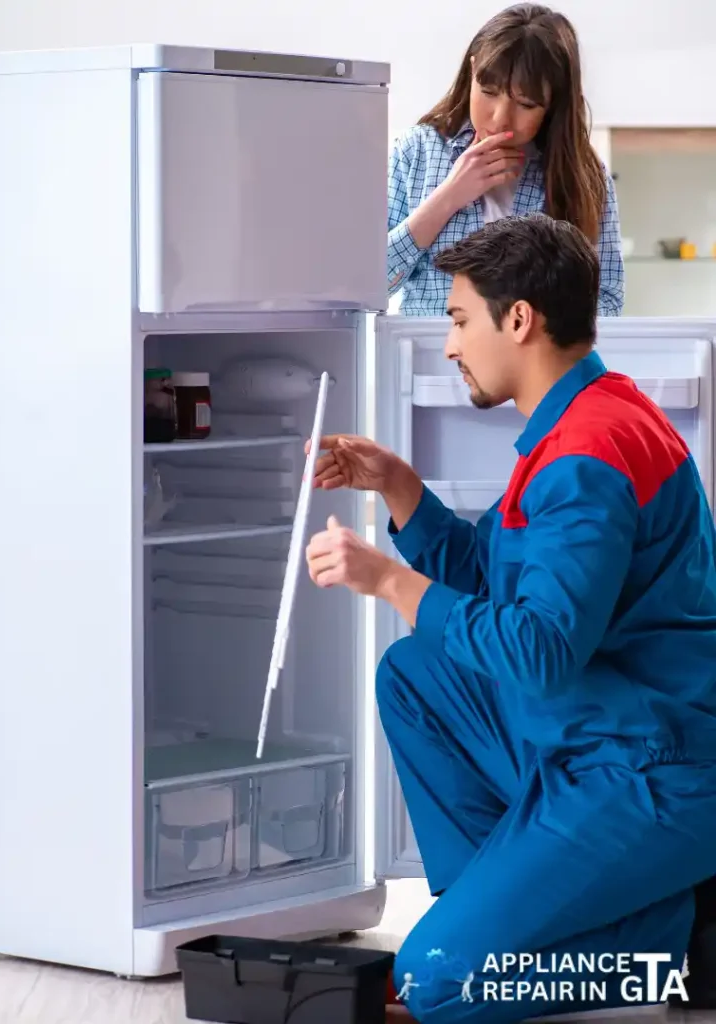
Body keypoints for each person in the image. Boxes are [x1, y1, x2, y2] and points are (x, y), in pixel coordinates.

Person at [305, 213, 716, 1022]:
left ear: (518, 319)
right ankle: (507, 911)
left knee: (434, 984)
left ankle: (673, 946)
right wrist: (397, 487)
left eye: (459, 319)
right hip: (595, 733)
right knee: (417, 674)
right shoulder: (586, 417)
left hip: (646, 769)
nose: (451, 344)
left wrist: (390, 583)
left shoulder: (585, 455)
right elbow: (495, 580)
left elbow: (539, 653)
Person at [388, 3, 624, 318]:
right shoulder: (415, 152)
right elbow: (366, 288)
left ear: (554, 103)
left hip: (537, 368)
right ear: (472, 71)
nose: (500, 119)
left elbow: (607, 302)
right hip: (427, 362)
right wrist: (449, 197)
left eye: (525, 104)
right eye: (488, 91)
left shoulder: (584, 177)